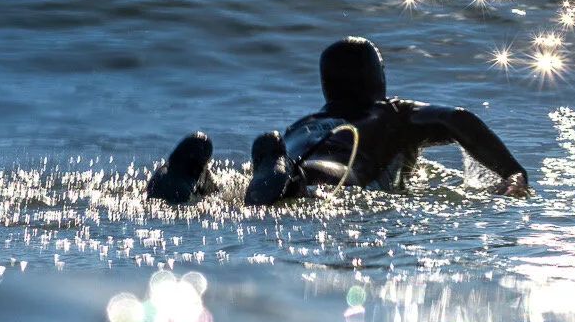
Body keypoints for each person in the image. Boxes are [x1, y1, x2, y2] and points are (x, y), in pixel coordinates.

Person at [146, 36, 529, 205]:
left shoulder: (307, 120)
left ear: (326, 84)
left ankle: (198, 171)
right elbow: (458, 118)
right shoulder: (396, 112)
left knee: (277, 180)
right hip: (334, 172)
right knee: (312, 182)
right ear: (378, 77)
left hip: (294, 154)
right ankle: (282, 174)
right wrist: (512, 172)